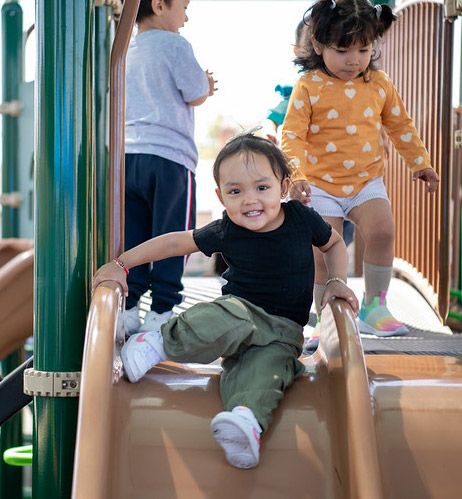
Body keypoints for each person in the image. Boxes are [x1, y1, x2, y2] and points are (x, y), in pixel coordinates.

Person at [93, 132, 359, 469]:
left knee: (269, 372)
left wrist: (337, 282)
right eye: (236, 191)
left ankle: (245, 421)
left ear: (284, 186)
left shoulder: (301, 219)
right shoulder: (227, 230)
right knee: (224, 318)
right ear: (221, 196)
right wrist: (121, 264)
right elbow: (175, 244)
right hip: (238, 315)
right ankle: (159, 341)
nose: (249, 200)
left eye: (262, 188)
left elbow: (334, 244)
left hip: (284, 334)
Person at [281, 0, 439, 342]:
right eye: (342, 50)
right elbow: (291, 135)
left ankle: (375, 305)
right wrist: (296, 176)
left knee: (382, 231)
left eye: (364, 49)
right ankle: (326, 312)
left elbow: (400, 126)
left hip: (366, 180)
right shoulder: (308, 85)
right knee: (326, 250)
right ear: (319, 46)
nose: (354, 60)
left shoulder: (379, 83)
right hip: (319, 185)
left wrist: (420, 162)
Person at [124, 0, 217, 335]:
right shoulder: (176, 44)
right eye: (185, 7)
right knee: (173, 234)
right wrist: (207, 84)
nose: (187, 16)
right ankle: (161, 309)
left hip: (127, 157)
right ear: (161, 5)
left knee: (132, 233)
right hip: (170, 159)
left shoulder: (123, 50)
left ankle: (128, 305)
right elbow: (194, 92)